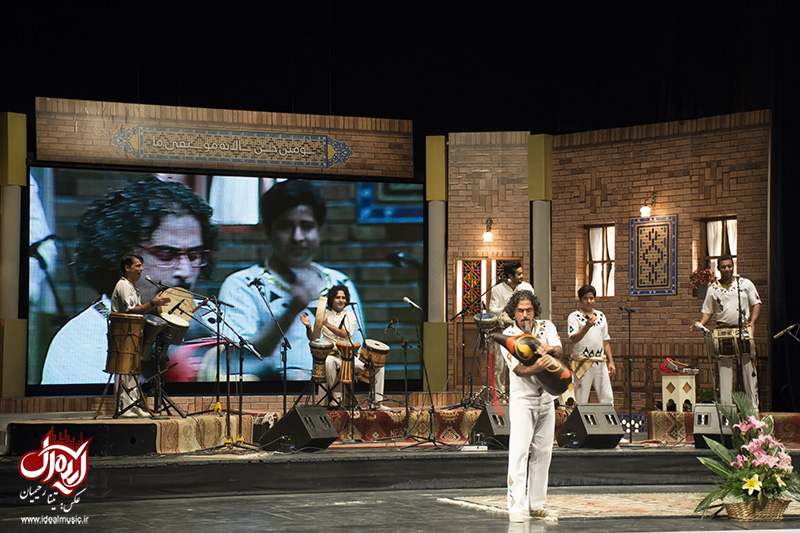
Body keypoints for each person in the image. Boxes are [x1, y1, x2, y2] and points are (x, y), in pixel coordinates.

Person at [41, 178, 218, 384]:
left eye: (194, 255)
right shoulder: (81, 344)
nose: (185, 272)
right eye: (165, 254)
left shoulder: (211, 317)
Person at [218, 180, 361, 381]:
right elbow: (236, 362)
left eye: (307, 226)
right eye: (285, 226)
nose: (297, 237)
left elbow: (354, 359)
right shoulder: (243, 285)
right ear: (269, 230)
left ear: (319, 230)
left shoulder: (340, 284)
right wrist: (293, 309)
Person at [498, 290, 560, 524]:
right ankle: (516, 506)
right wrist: (538, 366)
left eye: (529, 310)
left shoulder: (546, 327)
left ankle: (537, 505)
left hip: (547, 399)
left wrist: (549, 349)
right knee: (520, 452)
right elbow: (518, 370)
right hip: (523, 401)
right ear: (513, 312)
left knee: (543, 452)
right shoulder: (509, 336)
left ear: (535, 310)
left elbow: (560, 349)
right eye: (520, 311)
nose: (525, 315)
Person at [690, 253, 761, 407]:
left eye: (729, 266)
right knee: (724, 371)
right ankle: (726, 410)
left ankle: (752, 409)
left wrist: (753, 323)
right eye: (724, 267)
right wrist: (701, 323)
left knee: (748, 370)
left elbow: (756, 303)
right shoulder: (713, 288)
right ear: (718, 268)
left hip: (743, 330)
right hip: (723, 331)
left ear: (733, 266)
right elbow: (707, 311)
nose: (727, 269)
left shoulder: (745, 284)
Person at [300, 285, 387, 409]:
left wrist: (327, 324)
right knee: (328, 362)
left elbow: (344, 334)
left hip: (349, 357)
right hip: (332, 356)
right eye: (338, 297)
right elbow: (313, 337)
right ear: (332, 299)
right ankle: (337, 398)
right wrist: (308, 326)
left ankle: (376, 403)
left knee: (378, 368)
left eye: (343, 298)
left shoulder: (350, 316)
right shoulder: (324, 315)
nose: (341, 300)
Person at [110, 253, 171, 416]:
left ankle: (133, 405)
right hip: (123, 333)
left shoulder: (132, 286)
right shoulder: (123, 285)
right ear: (127, 267)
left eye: (141, 266)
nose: (141, 269)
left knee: (133, 371)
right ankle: (123, 407)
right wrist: (153, 303)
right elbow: (131, 310)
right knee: (124, 371)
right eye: (137, 266)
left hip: (133, 332)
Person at [488, 261, 534, 396]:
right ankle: (500, 397)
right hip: (503, 330)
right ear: (510, 276)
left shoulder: (527, 287)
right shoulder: (498, 289)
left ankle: (523, 395)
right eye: (519, 274)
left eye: (522, 273)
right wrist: (505, 307)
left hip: (523, 331)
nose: (522, 276)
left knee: (523, 363)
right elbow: (492, 310)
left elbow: (533, 307)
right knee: (500, 366)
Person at [567, 284, 616, 404]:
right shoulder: (574, 317)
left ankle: (607, 416)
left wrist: (611, 361)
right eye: (585, 298)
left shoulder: (601, 316)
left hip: (600, 361)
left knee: (607, 396)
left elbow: (605, 340)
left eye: (591, 298)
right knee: (581, 398)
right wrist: (586, 326)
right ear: (580, 300)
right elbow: (574, 338)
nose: (589, 301)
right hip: (582, 362)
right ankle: (580, 416)